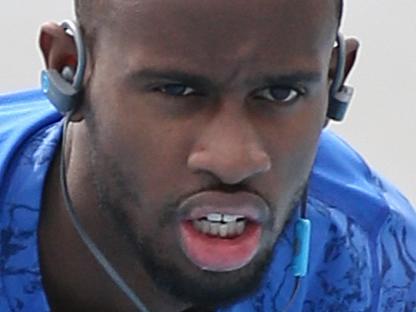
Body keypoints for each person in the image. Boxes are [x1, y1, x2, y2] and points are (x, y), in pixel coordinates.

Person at [0, 0, 415, 311]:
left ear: (333, 81)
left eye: (280, 93)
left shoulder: (380, 264)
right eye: (177, 90)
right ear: (69, 70)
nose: (233, 160)